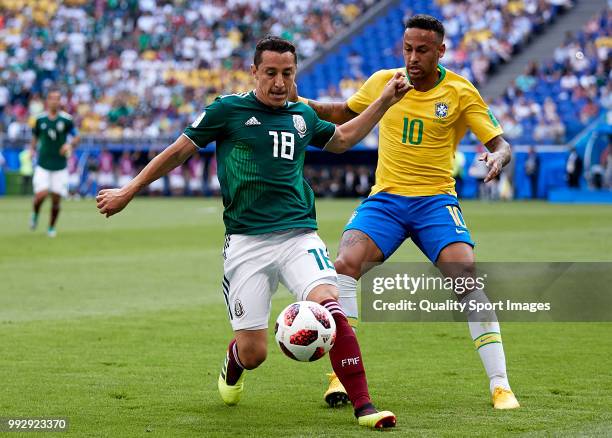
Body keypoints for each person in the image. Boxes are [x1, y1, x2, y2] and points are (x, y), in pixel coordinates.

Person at [96, 36, 411, 429]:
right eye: (271, 73)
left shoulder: (301, 115)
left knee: (331, 310)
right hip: (246, 244)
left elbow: (343, 140)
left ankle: (364, 407)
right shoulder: (228, 110)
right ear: (254, 72)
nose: (279, 83)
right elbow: (177, 151)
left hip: (299, 236)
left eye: (287, 74)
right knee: (254, 352)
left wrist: (383, 102)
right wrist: (128, 190)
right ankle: (233, 362)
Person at [294, 15, 519, 410]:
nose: (412, 58)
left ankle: (500, 384)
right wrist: (300, 102)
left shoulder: (461, 91)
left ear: (440, 51)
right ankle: (339, 378)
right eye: (407, 49)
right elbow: (342, 113)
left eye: (422, 50)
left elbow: (501, 143)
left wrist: (497, 158)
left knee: (466, 276)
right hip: (386, 200)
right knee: (344, 263)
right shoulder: (385, 81)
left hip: (435, 201)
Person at [30, 88, 80, 237]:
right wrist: (32, 150)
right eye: (52, 98)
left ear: (60, 101)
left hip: (60, 166)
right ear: (47, 101)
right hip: (43, 164)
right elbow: (34, 139)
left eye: (57, 98)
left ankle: (51, 227)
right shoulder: (40, 120)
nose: (54, 101)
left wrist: (70, 145)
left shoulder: (66, 120)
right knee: (41, 195)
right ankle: (35, 213)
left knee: (56, 199)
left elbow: (77, 137)